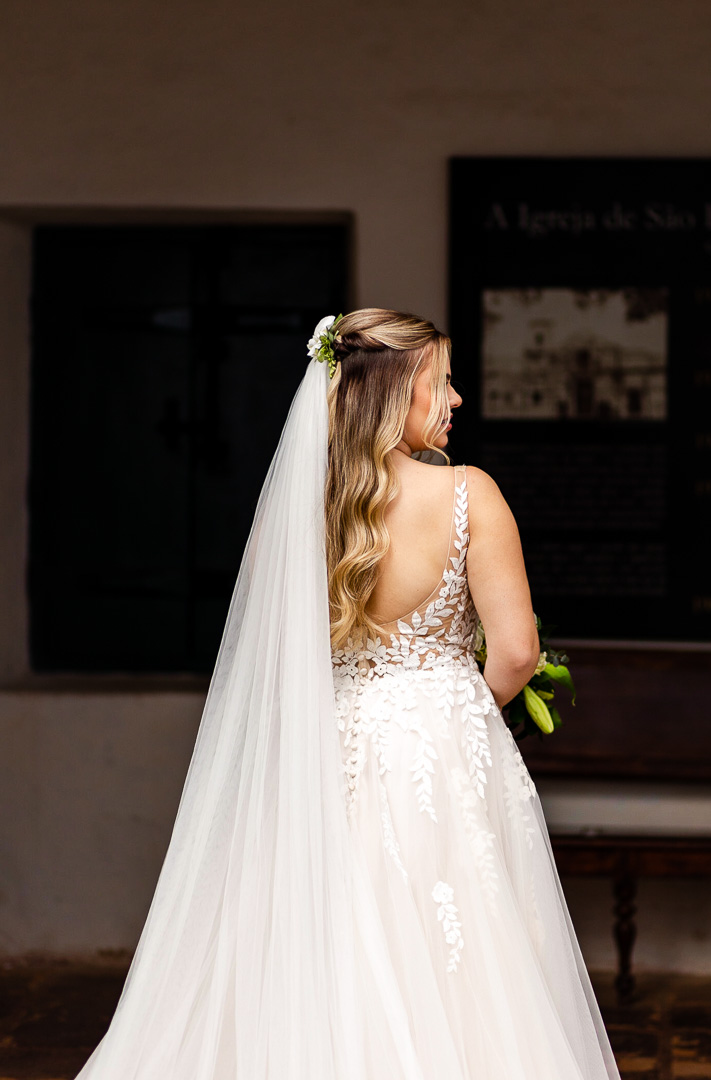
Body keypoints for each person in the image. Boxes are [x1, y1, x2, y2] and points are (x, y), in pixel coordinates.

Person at [74, 308, 621, 1079]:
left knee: (319, 939)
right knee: (454, 948)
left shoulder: (299, 508)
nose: (457, 399)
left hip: (324, 744)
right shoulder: (469, 495)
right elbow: (517, 652)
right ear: (397, 391)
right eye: (443, 382)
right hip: (436, 751)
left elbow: (271, 648)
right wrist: (452, 708)